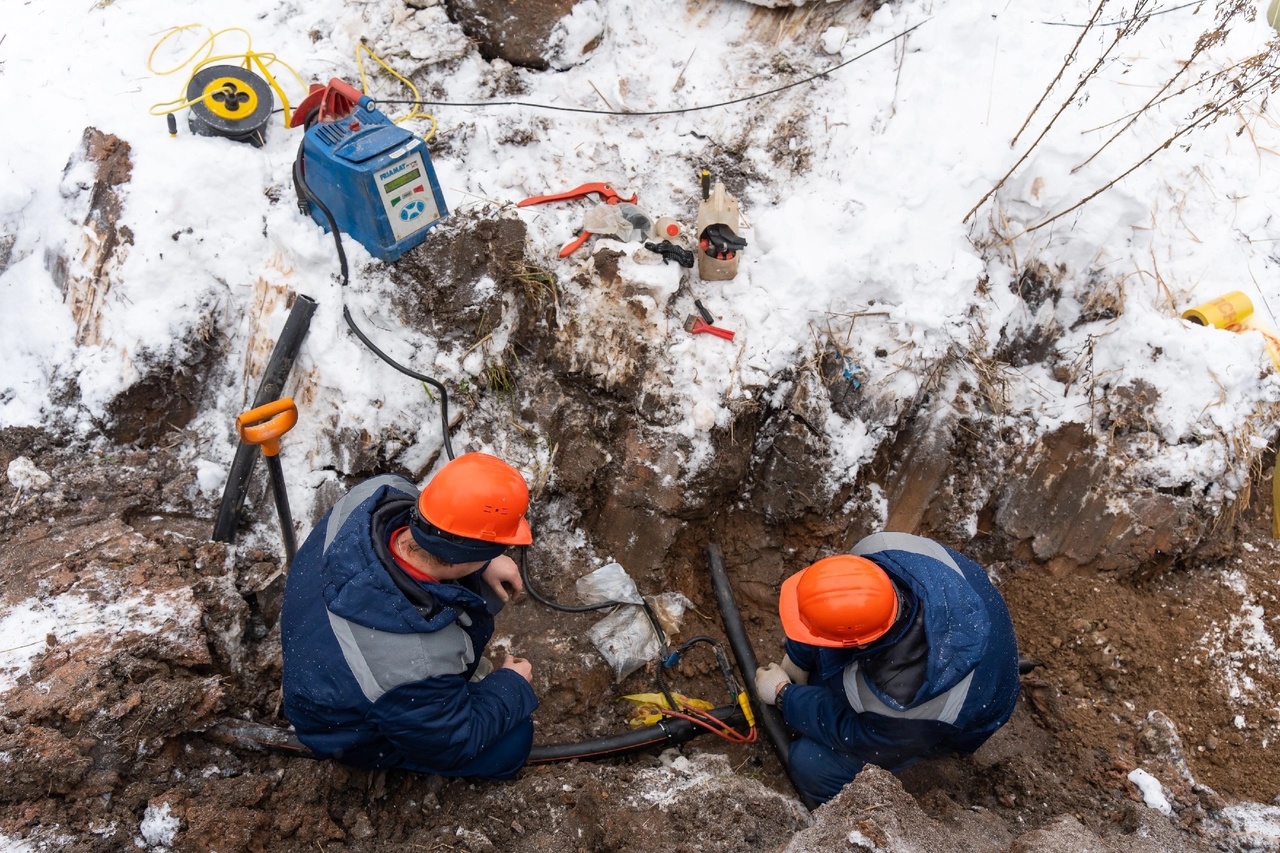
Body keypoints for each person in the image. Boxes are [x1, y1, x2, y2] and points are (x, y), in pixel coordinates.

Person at [281, 451, 538, 780]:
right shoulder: (413, 664)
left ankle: (443, 693)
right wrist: (511, 686)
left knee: (474, 596)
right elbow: (455, 744)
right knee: (511, 744)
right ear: (464, 555)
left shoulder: (379, 490)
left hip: (321, 634)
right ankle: (430, 707)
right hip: (337, 728)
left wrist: (484, 561)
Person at [755, 532, 1020, 804]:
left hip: (967, 718)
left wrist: (784, 695)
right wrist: (798, 657)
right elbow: (836, 602)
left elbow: (855, 733)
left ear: (858, 644)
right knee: (826, 662)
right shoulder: (877, 550)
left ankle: (832, 818)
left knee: (811, 764)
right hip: (969, 612)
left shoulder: (904, 702)